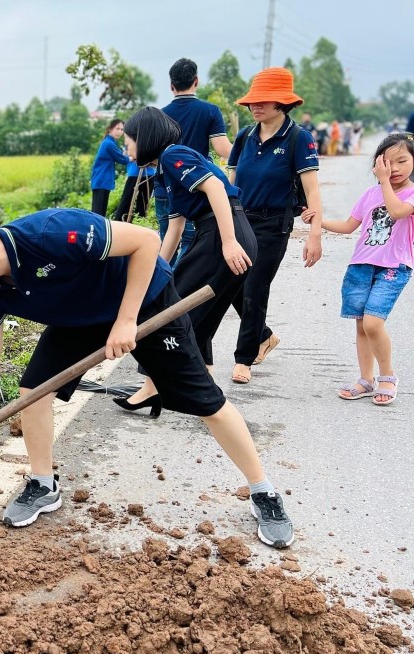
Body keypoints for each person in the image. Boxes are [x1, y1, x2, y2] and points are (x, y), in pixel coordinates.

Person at [0, 205, 295, 548]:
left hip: (144, 301)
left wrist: (127, 320)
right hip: (78, 318)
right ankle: (43, 484)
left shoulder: (55, 232)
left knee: (207, 402)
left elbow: (146, 241)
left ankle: (263, 492)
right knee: (32, 392)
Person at [116, 107, 257, 411]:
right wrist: (156, 271)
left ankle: (152, 387)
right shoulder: (164, 171)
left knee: (173, 310)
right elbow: (175, 229)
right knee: (195, 313)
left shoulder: (172, 154)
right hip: (217, 233)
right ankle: (203, 384)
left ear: (145, 137)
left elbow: (216, 188)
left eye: (129, 142)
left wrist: (229, 242)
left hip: (222, 233)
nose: (126, 150)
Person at [225, 67, 324, 384]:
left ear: (283, 104)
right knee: (230, 284)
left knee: (255, 288)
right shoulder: (244, 137)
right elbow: (230, 181)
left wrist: (315, 234)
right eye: (253, 101)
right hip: (241, 219)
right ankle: (264, 336)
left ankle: (244, 359)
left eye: (264, 101)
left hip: (273, 224)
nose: (256, 106)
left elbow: (312, 191)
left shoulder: (298, 139)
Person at [302, 133, 414, 406]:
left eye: (402, 161)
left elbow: (398, 211)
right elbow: (349, 226)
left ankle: (387, 376)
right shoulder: (370, 194)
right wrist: (318, 220)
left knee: (375, 322)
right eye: (388, 162)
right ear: (377, 163)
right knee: (362, 325)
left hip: (394, 266)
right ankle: (366, 379)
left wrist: (385, 181)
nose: (395, 168)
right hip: (361, 265)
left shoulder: (411, 194)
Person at [154, 58, 234, 266]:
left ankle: (163, 290)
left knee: (167, 244)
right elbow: (223, 149)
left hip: (166, 188)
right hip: (195, 190)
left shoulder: (160, 116)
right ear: (196, 81)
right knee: (190, 243)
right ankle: (180, 291)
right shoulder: (209, 111)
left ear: (171, 85)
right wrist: (248, 151)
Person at [89, 118, 128, 216]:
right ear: (110, 129)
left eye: (122, 129)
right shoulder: (109, 144)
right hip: (102, 180)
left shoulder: (109, 142)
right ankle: (96, 230)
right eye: (117, 129)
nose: (120, 132)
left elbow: (119, 155)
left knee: (99, 212)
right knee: (98, 213)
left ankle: (98, 230)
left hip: (101, 180)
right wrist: (131, 157)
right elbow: (122, 159)